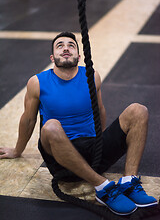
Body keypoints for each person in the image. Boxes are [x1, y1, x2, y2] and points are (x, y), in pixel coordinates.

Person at [0, 32, 157, 215]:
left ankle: (129, 182)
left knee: (138, 110)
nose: (66, 48)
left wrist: (103, 144)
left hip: (93, 152)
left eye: (71, 45)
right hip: (62, 162)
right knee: (51, 126)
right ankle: (102, 187)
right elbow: (28, 119)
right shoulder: (37, 82)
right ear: (52, 57)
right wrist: (18, 150)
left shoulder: (91, 76)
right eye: (60, 46)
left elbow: (100, 110)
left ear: (79, 56)